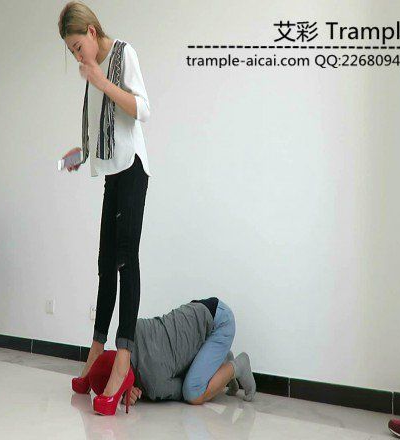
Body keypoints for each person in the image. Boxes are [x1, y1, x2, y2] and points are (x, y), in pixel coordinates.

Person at [58, 1, 152, 416]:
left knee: (126, 261)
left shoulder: (123, 54)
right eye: (73, 51)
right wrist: (78, 156)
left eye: (78, 47)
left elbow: (142, 109)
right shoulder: (92, 71)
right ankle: (96, 352)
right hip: (113, 172)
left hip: (132, 169)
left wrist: (100, 79)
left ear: (92, 33)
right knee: (104, 264)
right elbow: (101, 131)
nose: (78, 56)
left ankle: (122, 362)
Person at [74, 297, 256, 412]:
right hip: (201, 310)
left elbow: (182, 387)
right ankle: (221, 358)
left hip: (220, 325)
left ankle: (238, 365)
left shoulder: (153, 384)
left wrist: (138, 392)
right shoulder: (126, 335)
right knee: (178, 357)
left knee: (193, 392)